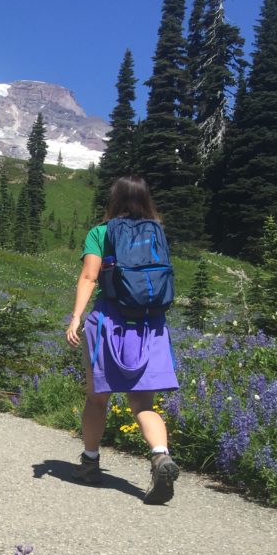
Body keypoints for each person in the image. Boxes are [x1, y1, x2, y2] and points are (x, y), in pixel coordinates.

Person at [65, 176, 181, 504]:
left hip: (109, 322)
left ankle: (89, 463)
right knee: (143, 403)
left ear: (113, 199)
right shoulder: (156, 231)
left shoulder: (101, 233)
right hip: (150, 324)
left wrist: (76, 317)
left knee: (97, 397)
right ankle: (160, 455)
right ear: (146, 199)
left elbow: (89, 276)